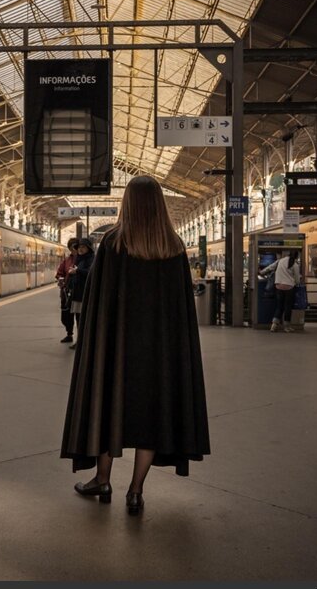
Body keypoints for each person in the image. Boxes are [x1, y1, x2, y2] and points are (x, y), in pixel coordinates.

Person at [61, 176, 210, 515]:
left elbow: (99, 305)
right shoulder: (173, 246)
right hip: (158, 355)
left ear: (126, 203)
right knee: (151, 418)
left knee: (106, 408)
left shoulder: (113, 243)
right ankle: (136, 491)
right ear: (161, 204)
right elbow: (180, 312)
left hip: (116, 351)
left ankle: (102, 479)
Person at [260, 250, 301, 333]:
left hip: (279, 287)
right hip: (289, 288)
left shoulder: (280, 261)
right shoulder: (295, 264)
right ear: (296, 256)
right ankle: (287, 327)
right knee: (287, 307)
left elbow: (270, 267)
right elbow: (297, 279)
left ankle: (274, 326)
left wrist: (261, 272)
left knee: (279, 307)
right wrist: (296, 283)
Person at [66, 238, 94, 350]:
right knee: (78, 319)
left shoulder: (91, 259)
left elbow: (91, 273)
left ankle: (84, 342)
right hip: (77, 294)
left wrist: (77, 271)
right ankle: (80, 341)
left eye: (83, 247)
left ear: (88, 248)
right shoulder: (79, 259)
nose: (80, 249)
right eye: (79, 247)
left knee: (83, 319)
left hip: (84, 294)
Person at [55, 238, 78, 343]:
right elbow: (59, 273)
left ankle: (80, 338)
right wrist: (60, 279)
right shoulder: (67, 260)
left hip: (79, 293)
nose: (74, 249)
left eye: (76, 247)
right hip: (66, 293)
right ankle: (69, 333)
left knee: (79, 316)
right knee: (66, 315)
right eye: (71, 247)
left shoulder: (84, 260)